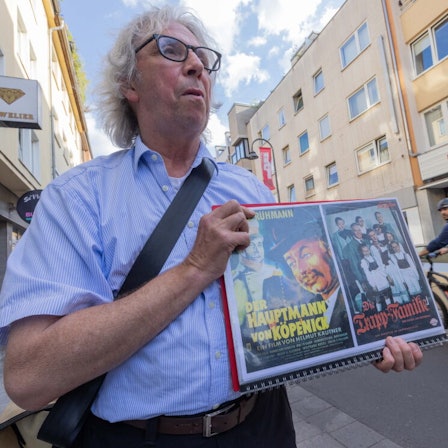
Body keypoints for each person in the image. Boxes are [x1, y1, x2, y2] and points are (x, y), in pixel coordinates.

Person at [0, 5, 423, 448]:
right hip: (137, 438)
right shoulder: (77, 197)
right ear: (129, 84)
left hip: (263, 425)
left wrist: (364, 337)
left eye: (203, 58)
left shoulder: (250, 189)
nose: (197, 66)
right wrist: (195, 269)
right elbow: (28, 378)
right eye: (171, 50)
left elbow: (298, 308)